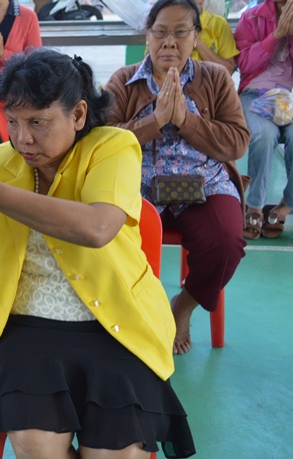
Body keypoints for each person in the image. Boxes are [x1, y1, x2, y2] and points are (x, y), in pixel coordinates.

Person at [0, 48, 196, 459]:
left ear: (77, 114)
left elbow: (96, 228)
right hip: (27, 323)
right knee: (34, 444)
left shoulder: (113, 147)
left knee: (116, 453)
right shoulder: (0, 162)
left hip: (116, 321)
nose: (22, 138)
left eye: (37, 122)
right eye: (13, 122)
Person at [105, 0, 249, 355]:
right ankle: (133, 313)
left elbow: (237, 140)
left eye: (181, 32)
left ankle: (182, 306)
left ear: (195, 37)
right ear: (147, 36)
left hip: (204, 185)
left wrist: (186, 121)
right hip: (139, 187)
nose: (169, 42)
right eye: (160, 32)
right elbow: (103, 140)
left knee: (227, 242)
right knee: (108, 238)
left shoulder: (215, 78)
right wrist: (155, 122)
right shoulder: (123, 81)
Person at [235, 0, 293, 239]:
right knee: (264, 134)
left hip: (288, 97)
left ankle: (286, 205)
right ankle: (255, 206)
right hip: (254, 93)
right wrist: (277, 34)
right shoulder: (251, 17)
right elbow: (244, 64)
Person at [192, 0, 239, 73]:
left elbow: (229, 69)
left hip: (211, 79)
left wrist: (198, 43)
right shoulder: (173, 23)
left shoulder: (219, 24)